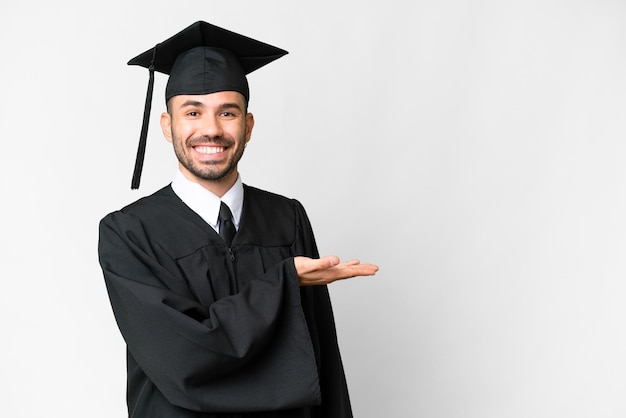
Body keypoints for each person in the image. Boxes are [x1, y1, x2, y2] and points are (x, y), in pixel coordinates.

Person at [98, 21, 379, 418]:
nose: (211, 129)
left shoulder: (287, 219)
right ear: (167, 126)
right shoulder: (129, 233)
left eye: (227, 112)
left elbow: (323, 360)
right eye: (192, 112)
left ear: (247, 126)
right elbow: (183, 358)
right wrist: (282, 281)